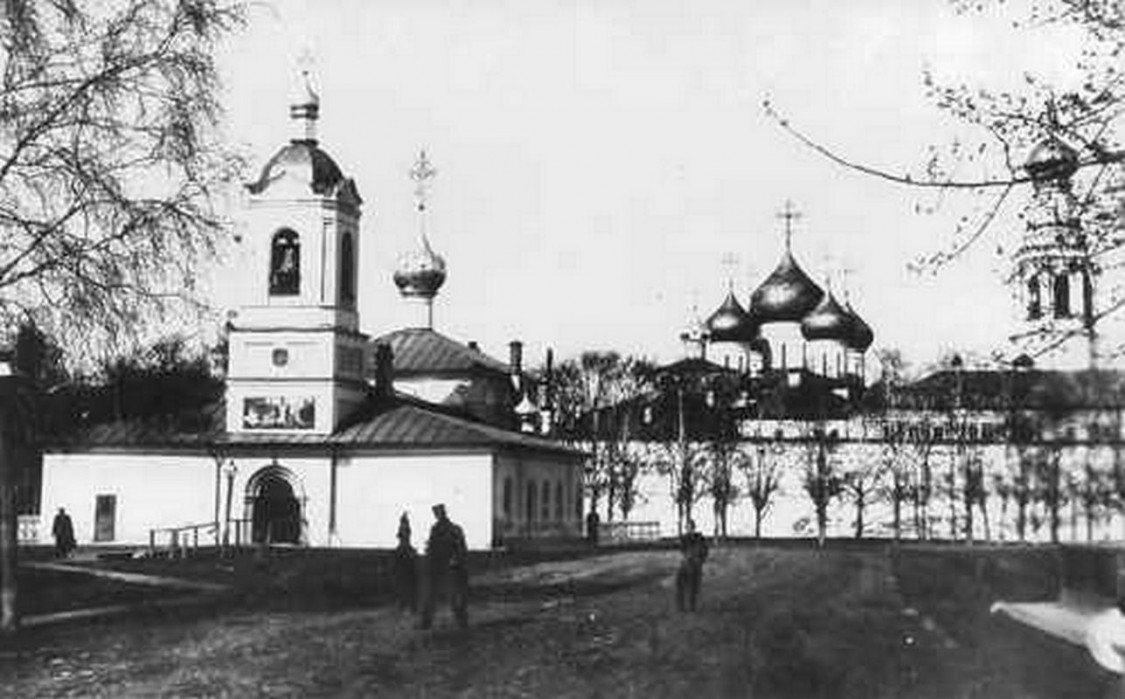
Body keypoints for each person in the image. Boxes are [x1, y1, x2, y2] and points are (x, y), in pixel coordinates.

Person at [419, 503, 469, 629]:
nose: (436, 515)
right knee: (437, 596)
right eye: (436, 513)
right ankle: (427, 623)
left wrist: (455, 561)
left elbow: (459, 548)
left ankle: (461, 622)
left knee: (447, 596)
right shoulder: (446, 528)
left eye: (437, 513)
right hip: (444, 567)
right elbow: (432, 547)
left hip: (445, 568)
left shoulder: (447, 529)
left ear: (441, 513)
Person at [676, 519, 709, 612]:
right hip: (685, 565)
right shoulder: (683, 538)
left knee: (694, 587)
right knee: (680, 586)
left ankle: (692, 606)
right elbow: (682, 550)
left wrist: (700, 561)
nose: (689, 529)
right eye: (687, 527)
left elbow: (705, 551)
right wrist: (686, 558)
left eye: (690, 527)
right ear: (686, 528)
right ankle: (681, 606)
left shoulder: (699, 537)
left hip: (696, 566)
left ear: (694, 527)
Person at [391, 511, 418, 611]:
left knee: (403, 583)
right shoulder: (405, 526)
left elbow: (402, 536)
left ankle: (405, 605)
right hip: (406, 547)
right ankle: (408, 605)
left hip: (404, 547)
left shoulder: (404, 527)